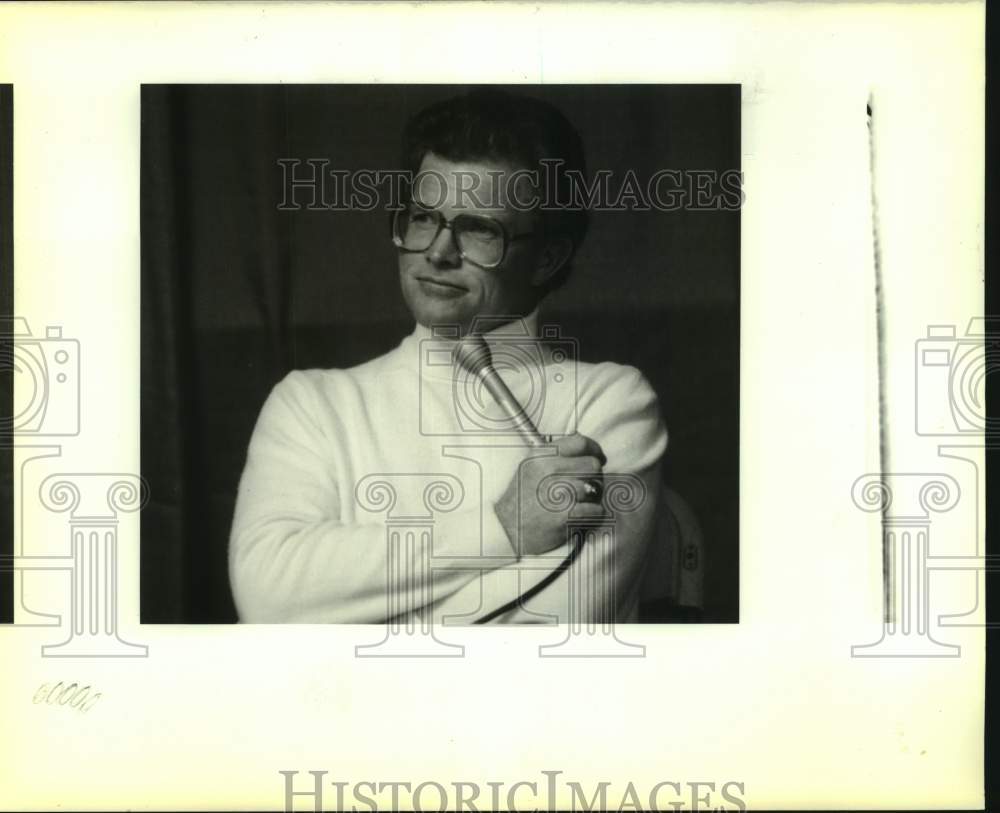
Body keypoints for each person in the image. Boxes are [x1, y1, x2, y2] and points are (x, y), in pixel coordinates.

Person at [229, 89, 667, 624]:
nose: (438, 251)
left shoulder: (610, 402)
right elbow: (267, 599)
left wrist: (349, 608)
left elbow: (552, 632)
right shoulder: (311, 403)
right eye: (421, 218)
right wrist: (505, 527)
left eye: (480, 229)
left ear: (548, 256)